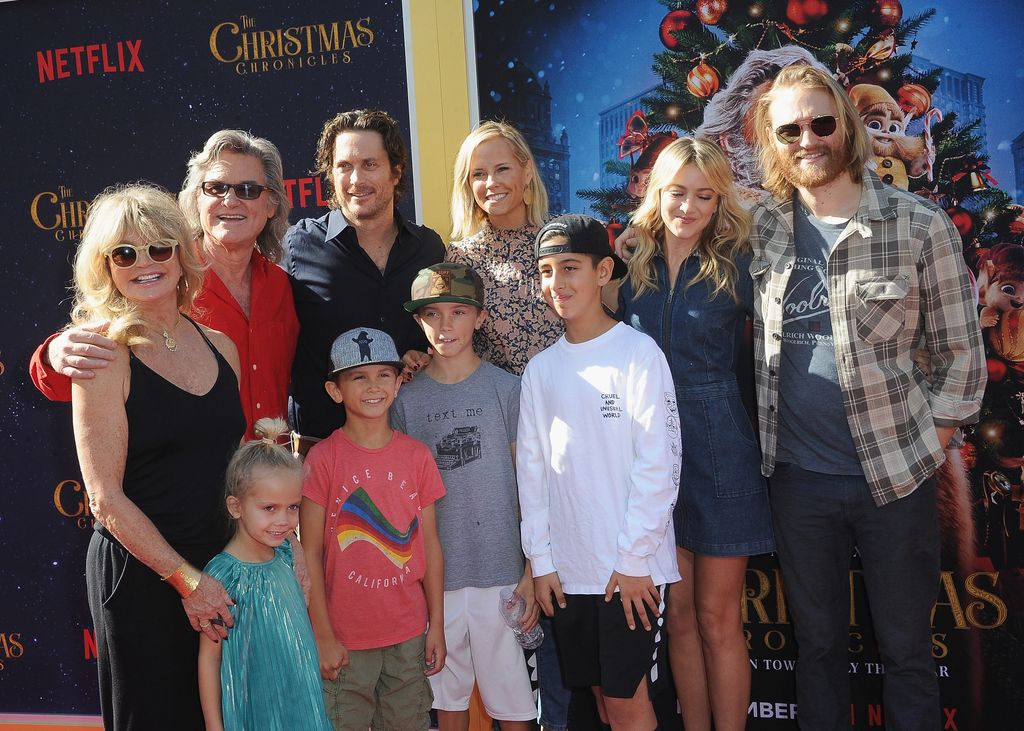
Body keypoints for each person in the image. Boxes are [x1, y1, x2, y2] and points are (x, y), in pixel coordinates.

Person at [748, 64, 986, 730]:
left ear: (845, 127)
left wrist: (928, 447)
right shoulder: (764, 228)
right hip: (797, 483)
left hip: (897, 480)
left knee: (907, 652)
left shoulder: (919, 225)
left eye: (821, 122)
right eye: (789, 127)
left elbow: (961, 356)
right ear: (772, 138)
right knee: (817, 649)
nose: (807, 139)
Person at [69, 183, 246, 730]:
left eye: (159, 247)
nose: (145, 263)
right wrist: (188, 582)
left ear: (182, 252)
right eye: (125, 253)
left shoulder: (222, 345)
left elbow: (235, 473)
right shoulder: (102, 354)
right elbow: (104, 499)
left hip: (222, 573)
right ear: (106, 268)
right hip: (145, 577)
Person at [616, 136, 773, 731]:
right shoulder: (630, 263)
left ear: (718, 202)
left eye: (704, 196)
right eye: (678, 193)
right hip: (650, 449)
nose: (688, 207)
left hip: (721, 445)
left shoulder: (738, 260)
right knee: (676, 615)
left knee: (715, 616)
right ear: (657, 191)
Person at [518, 214, 681, 731]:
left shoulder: (638, 355)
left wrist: (634, 561)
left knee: (629, 705)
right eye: (545, 271)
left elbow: (661, 464)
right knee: (600, 701)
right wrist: (541, 562)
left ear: (604, 270)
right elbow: (533, 473)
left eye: (570, 267)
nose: (556, 284)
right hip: (569, 573)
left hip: (630, 573)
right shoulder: (541, 369)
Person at [30, 130, 298, 438]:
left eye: (248, 190)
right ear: (197, 199)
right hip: (191, 478)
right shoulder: (163, 274)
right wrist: (54, 353)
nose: (230, 200)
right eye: (216, 188)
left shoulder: (285, 287)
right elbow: (74, 374)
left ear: (271, 205)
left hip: (272, 475)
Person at [443, 119, 571, 731]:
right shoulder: (458, 261)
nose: (491, 183)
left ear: (525, 172)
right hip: (502, 454)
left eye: (501, 168)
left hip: (572, 442)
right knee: (508, 613)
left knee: (566, 601)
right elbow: (448, 341)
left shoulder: (561, 246)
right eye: (477, 174)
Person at [391, 263, 537, 731]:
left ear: (479, 317)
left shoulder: (509, 389)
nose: (445, 325)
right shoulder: (403, 401)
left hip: (504, 575)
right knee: (446, 705)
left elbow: (532, 490)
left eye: (458, 311)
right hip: (437, 581)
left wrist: (533, 572)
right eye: (432, 314)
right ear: (417, 322)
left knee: (515, 709)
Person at [300, 327, 446, 731]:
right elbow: (309, 552)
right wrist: (323, 635)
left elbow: (430, 546)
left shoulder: (417, 457)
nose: (373, 386)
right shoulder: (323, 460)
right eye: (358, 377)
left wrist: (437, 626)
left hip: (409, 635)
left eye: (384, 374)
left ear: (399, 383)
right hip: (345, 641)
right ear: (335, 390)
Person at [283, 109, 446, 452]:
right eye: (344, 166)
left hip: (411, 447)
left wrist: (427, 353)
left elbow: (445, 332)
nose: (356, 179)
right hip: (321, 455)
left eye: (370, 164)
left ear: (396, 171)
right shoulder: (298, 246)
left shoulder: (428, 249)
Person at [198, 417, 331, 731]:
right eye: (269, 508)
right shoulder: (222, 575)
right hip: (256, 712)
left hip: (302, 706)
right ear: (236, 506)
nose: (284, 521)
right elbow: (209, 659)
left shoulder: (287, 555)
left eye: (293, 507)